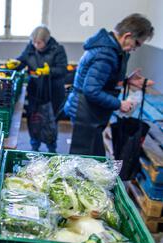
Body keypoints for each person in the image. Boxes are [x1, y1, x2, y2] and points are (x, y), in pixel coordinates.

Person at [64, 13, 154, 156]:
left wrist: (126, 81)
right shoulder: (106, 53)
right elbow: (92, 90)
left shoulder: (111, 49)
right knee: (84, 162)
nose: (135, 48)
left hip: (89, 111)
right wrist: (119, 104)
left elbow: (102, 77)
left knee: (92, 160)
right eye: (136, 43)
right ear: (127, 36)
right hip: (86, 113)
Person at [16, 25, 68, 153]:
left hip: (52, 93)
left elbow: (63, 69)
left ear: (46, 41)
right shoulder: (30, 48)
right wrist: (16, 64)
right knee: (34, 119)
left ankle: (52, 148)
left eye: (38, 42)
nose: (35, 44)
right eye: (33, 41)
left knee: (50, 122)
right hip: (35, 91)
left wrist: (49, 71)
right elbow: (23, 60)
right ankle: (34, 146)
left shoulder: (58, 50)